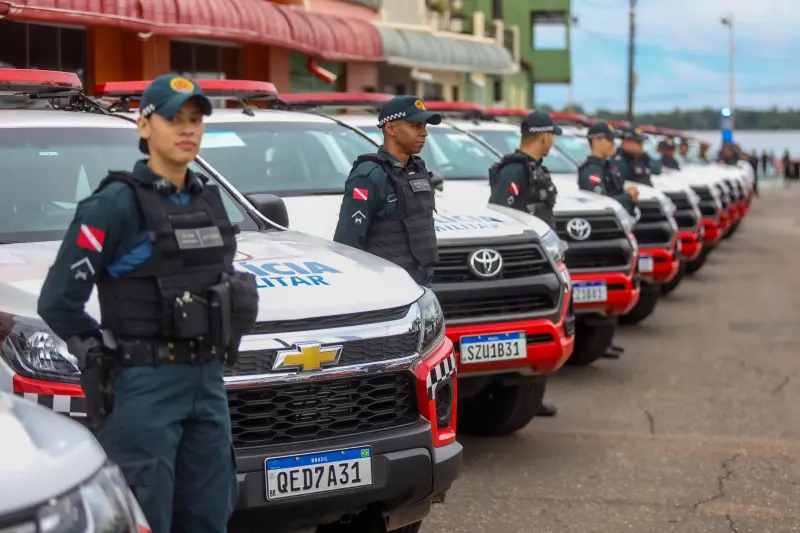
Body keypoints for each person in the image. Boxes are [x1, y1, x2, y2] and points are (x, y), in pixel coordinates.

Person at [37, 74, 260, 533]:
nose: (187, 128)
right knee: (144, 517)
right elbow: (58, 301)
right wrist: (96, 355)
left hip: (208, 383)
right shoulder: (114, 205)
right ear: (144, 126)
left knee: (209, 516)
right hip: (144, 386)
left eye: (195, 119)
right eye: (174, 118)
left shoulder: (208, 199)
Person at [487, 109, 560, 416]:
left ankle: (531, 394)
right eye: (552, 136)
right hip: (519, 263)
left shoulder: (534, 168)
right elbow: (501, 216)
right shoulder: (514, 171)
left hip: (538, 259)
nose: (553, 141)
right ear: (543, 136)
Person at [332, 95, 441, 288]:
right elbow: (347, 243)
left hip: (421, 282)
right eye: (415, 126)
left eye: (425, 126)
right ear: (390, 129)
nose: (424, 133)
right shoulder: (369, 175)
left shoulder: (417, 168)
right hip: (386, 286)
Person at [577, 121, 639, 360]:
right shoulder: (590, 170)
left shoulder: (610, 167)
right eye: (609, 140)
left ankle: (606, 341)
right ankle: (597, 344)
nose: (613, 144)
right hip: (598, 236)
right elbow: (601, 202)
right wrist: (627, 197)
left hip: (617, 233)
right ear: (596, 140)